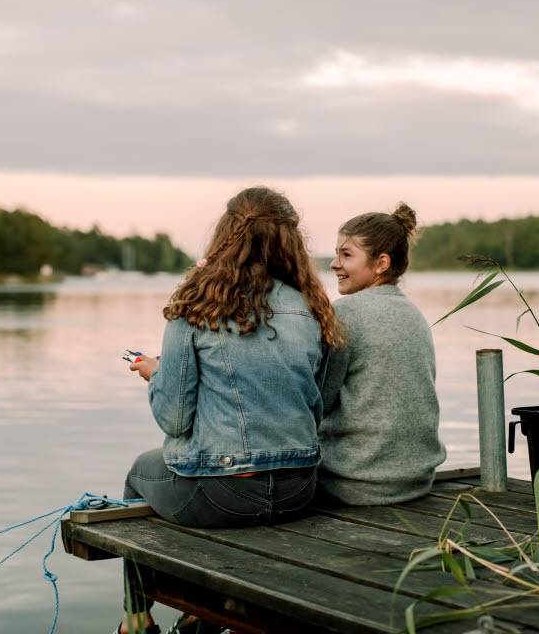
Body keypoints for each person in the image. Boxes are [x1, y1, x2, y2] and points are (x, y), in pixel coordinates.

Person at [117, 187, 343, 634]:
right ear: (290, 241)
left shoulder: (196, 305)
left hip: (225, 494)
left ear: (225, 234)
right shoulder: (313, 308)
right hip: (299, 490)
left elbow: (174, 420)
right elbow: (313, 406)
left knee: (139, 473)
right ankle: (200, 614)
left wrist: (157, 376)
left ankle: (136, 621)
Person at [318, 203, 446, 506]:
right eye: (336, 254)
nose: (334, 264)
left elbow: (319, 400)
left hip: (352, 483)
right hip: (416, 480)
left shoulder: (344, 314)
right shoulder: (414, 314)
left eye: (346, 255)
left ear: (381, 263)